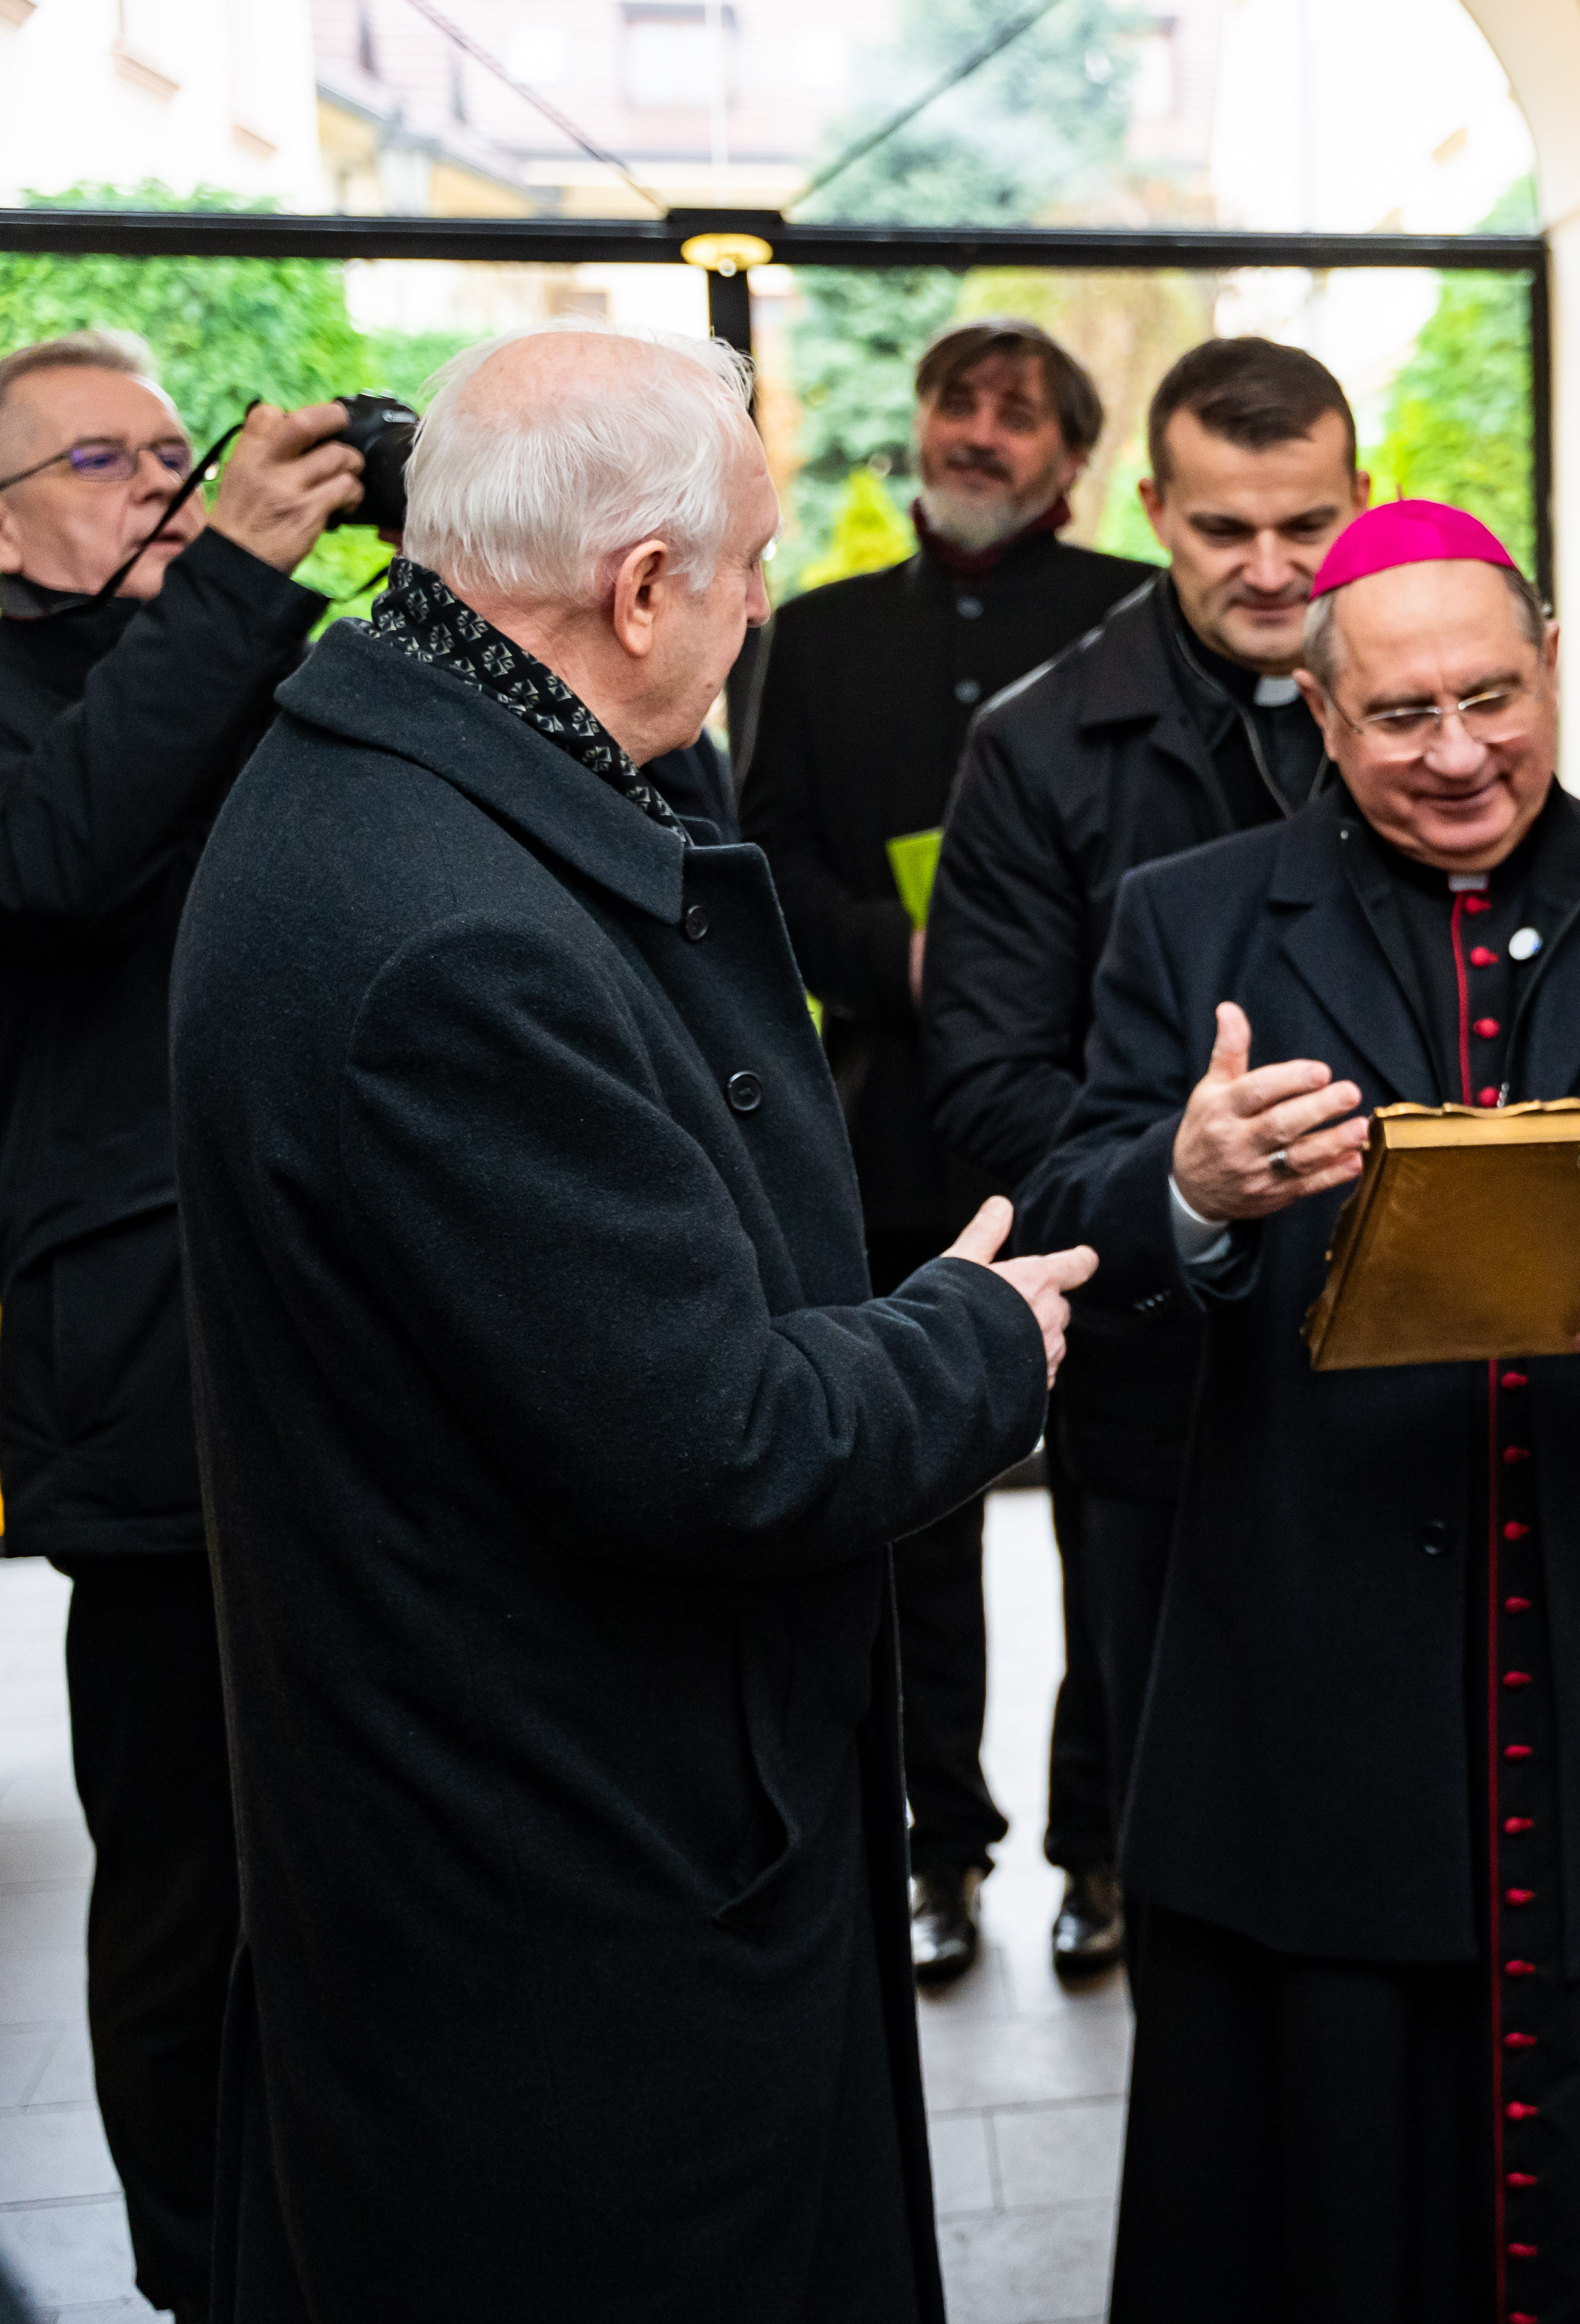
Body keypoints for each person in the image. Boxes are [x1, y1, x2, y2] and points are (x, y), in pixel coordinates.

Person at [166, 317, 1094, 2319]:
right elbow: (720, 1439)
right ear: (644, 585)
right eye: (749, 565)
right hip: (566, 1890)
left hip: (501, 1831)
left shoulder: (390, 764)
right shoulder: (450, 934)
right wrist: (975, 1333)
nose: (763, 609)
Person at [1019, 499, 1580, 2322]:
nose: (1462, 751)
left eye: (1494, 697)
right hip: (1316, 1649)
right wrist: (1189, 1185)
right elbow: (1086, 1203)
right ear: (1322, 723)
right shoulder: (1193, 924)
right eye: (1402, 720)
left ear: (1551, 664)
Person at [0, 330, 364, 2323]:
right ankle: (205, 2276)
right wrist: (228, 575)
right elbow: (56, 858)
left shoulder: (241, 656)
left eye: (173, 447)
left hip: (336, 1328)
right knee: (183, 1886)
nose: (157, 480)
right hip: (139, 1370)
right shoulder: (85, 669)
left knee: (358, 1848)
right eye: (97, 460)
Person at [924, 335, 1366, 1910]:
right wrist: (1187, 1176)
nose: (1268, 568)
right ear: (1155, 508)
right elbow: (979, 1075)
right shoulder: (1039, 747)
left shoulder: (1415, 713)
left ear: (1361, 500)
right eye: (1221, 529)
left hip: (1402, 1345)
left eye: (1304, 527)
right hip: (1159, 1358)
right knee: (1193, 1813)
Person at [740, 317, 1151, 1984]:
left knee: (1110, 1519)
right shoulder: (823, 637)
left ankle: (1103, 1851)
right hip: (890, 1138)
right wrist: (910, 961)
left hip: (1092, 1127)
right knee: (916, 1524)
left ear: (1072, 455)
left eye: (1014, 414)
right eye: (953, 403)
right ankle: (940, 1849)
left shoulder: (1138, 622)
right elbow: (759, 853)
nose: (975, 434)